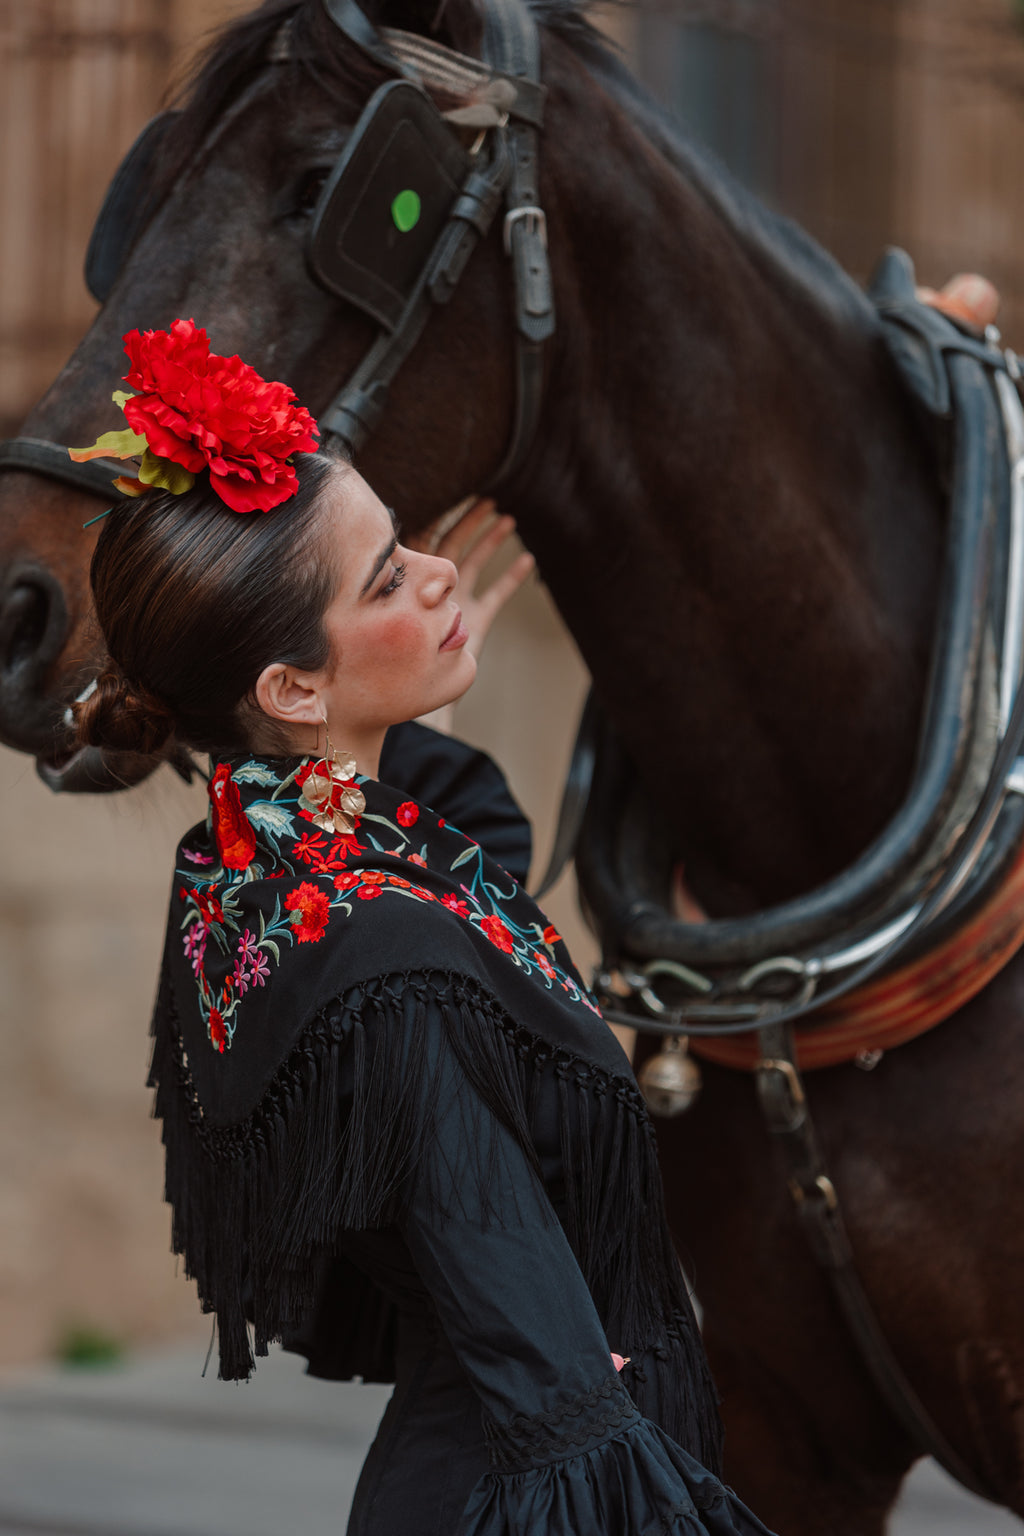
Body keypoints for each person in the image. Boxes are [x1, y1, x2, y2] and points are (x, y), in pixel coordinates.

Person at [72, 319, 775, 1536]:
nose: (440, 574)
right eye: (390, 576)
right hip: (537, 1492)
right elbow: (551, 1391)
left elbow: (470, 848)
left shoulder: (263, 870)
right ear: (290, 690)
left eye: (405, 545)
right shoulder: (391, 969)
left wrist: (383, 690)